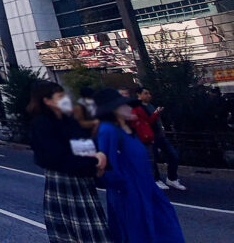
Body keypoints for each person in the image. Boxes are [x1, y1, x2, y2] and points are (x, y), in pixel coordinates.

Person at [95, 88, 186, 243]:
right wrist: (124, 186)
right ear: (114, 110)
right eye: (125, 105)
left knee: (165, 227)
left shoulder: (129, 130)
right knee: (141, 234)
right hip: (130, 193)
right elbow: (108, 168)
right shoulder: (108, 130)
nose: (130, 108)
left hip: (147, 188)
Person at [29, 81, 110, 243]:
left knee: (93, 232)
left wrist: (98, 161)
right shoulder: (42, 122)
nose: (65, 99)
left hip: (82, 179)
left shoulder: (68, 120)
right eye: (60, 96)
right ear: (47, 100)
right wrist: (94, 161)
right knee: (78, 233)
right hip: (64, 180)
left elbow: (84, 144)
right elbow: (54, 157)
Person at [136, 87, 186, 191]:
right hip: (149, 137)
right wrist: (156, 114)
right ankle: (156, 179)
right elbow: (146, 122)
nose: (149, 95)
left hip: (159, 135)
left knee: (173, 155)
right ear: (139, 95)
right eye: (145, 93)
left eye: (149, 93)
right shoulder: (138, 107)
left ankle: (172, 178)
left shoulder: (151, 106)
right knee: (153, 159)